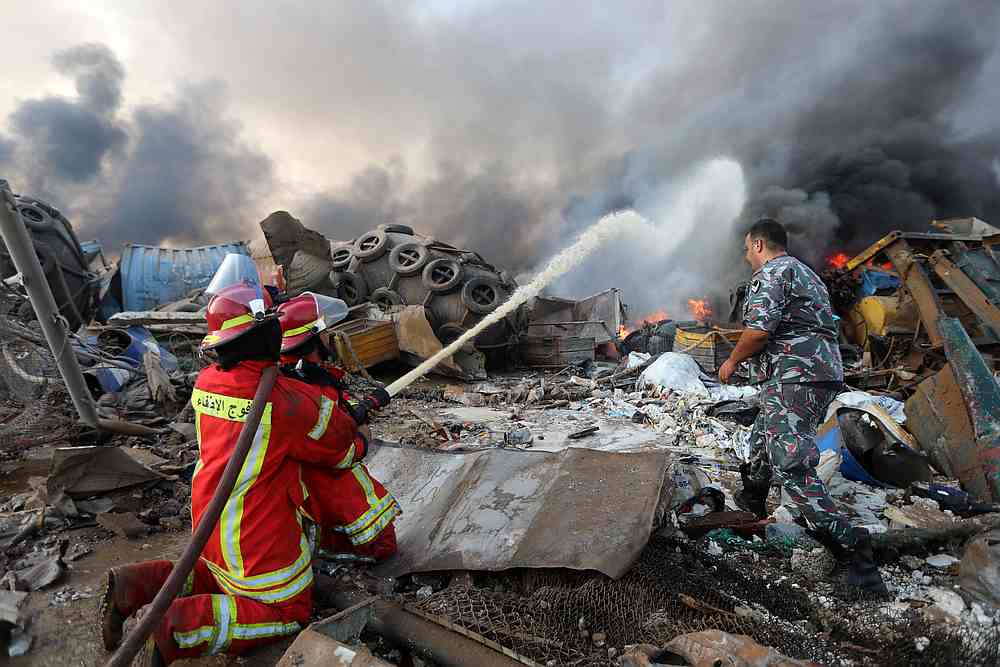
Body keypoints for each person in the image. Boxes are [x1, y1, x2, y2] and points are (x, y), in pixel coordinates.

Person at [99, 282, 369, 664]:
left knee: (212, 577)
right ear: (265, 333)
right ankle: (175, 629)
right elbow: (339, 452)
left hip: (211, 524)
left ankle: (132, 584)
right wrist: (361, 436)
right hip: (258, 541)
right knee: (286, 612)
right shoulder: (288, 401)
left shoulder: (208, 381)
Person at [719, 218, 887, 595]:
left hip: (793, 376)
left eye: (747, 249)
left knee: (791, 463)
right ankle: (753, 501)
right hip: (816, 373)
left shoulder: (771, 273)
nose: (746, 256)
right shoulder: (806, 274)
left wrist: (732, 361)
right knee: (763, 435)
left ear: (759, 245)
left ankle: (854, 552)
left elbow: (759, 331)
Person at [276, 292, 400, 561]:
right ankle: (345, 549)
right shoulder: (312, 388)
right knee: (383, 545)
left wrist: (359, 410)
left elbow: (331, 420)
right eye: (323, 331)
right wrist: (362, 440)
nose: (329, 336)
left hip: (305, 487)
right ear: (311, 339)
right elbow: (333, 447)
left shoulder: (292, 378)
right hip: (328, 481)